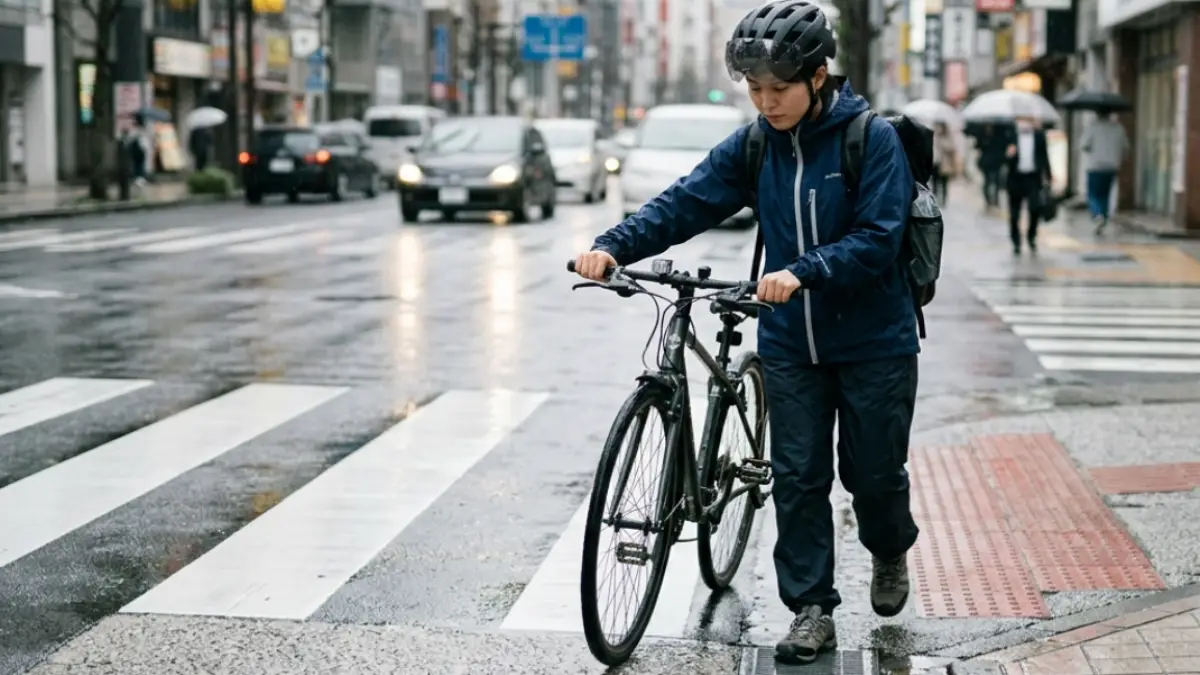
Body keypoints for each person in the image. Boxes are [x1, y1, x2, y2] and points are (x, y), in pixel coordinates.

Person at [572, 0, 920, 665]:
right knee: (796, 474)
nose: (766, 101)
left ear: (819, 76)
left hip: (875, 339)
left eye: (779, 88)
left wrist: (805, 270)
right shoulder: (757, 143)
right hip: (791, 342)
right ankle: (812, 607)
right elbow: (687, 199)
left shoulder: (870, 140)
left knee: (872, 473)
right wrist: (613, 246)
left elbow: (880, 238)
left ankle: (889, 545)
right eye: (755, 88)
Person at [1004, 111, 1052, 254]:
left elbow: (1044, 156)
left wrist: (1049, 176)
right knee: (1014, 214)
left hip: (1033, 177)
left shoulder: (1039, 136)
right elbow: (1001, 157)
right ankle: (1016, 241)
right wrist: (1008, 155)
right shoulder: (1010, 136)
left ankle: (1031, 236)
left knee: (1034, 209)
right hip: (1015, 178)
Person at [1080, 111, 1128, 234]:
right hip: (1111, 166)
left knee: (1093, 193)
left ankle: (1097, 214)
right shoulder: (1118, 128)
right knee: (1105, 194)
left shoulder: (1092, 127)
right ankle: (1103, 216)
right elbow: (1126, 147)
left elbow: (1083, 145)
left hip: (1095, 166)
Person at [974, 123, 1006, 210]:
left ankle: (995, 199)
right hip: (986, 162)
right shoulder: (981, 133)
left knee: (996, 181)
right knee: (987, 181)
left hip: (996, 160)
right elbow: (977, 145)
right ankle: (988, 200)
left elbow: (1002, 145)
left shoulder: (999, 132)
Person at [932, 121, 957, 204]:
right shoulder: (934, 137)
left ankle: (943, 199)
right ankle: (934, 198)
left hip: (945, 164)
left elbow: (951, 148)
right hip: (935, 163)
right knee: (935, 182)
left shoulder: (947, 137)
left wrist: (942, 142)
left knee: (944, 183)